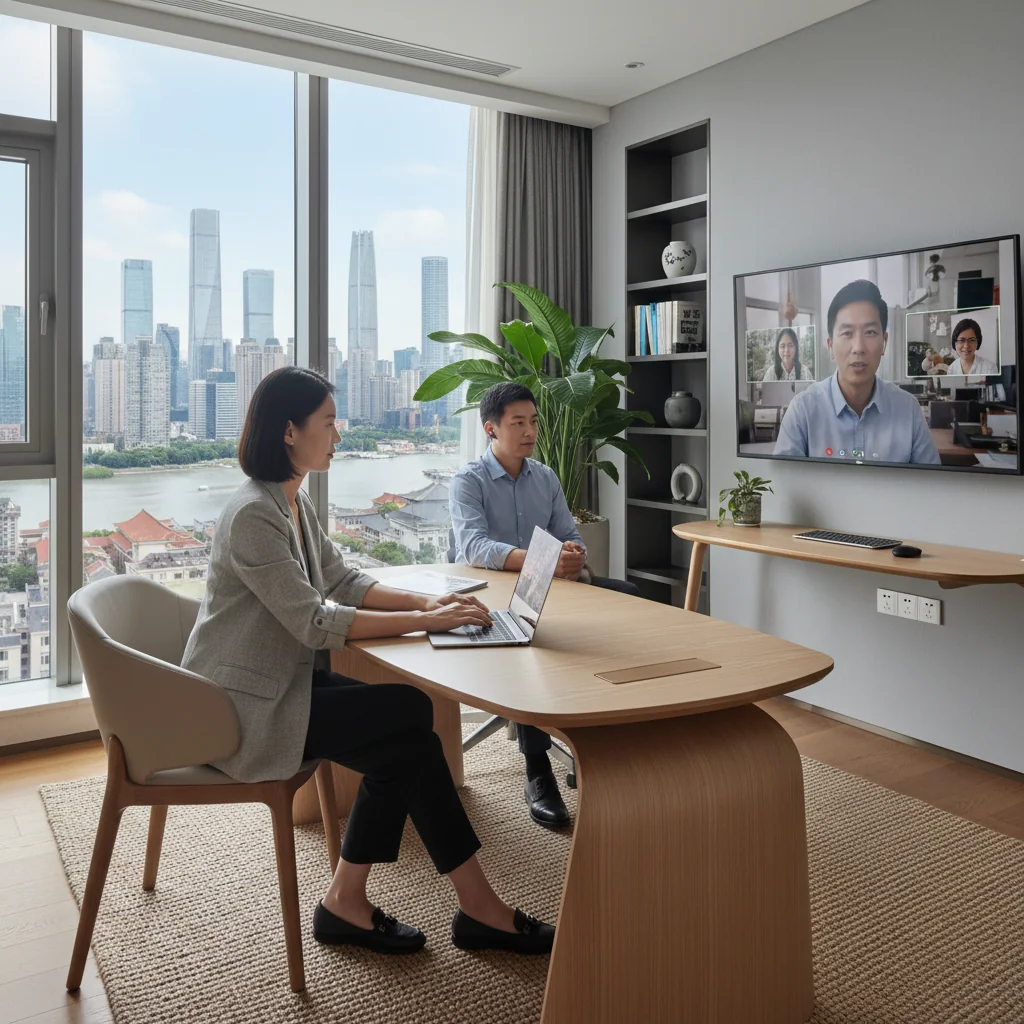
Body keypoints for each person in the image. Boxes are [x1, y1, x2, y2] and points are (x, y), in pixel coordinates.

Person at [181, 367, 554, 956]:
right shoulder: (254, 513)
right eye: (329, 423)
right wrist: (430, 623)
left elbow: (342, 580)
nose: (339, 435)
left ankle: (359, 904)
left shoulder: (291, 502)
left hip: (284, 685)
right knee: (408, 720)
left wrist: (428, 603)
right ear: (289, 432)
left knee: (409, 734)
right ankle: (470, 909)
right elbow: (314, 620)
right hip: (244, 709)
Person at [449, 382, 640, 829]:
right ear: (491, 429)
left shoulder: (546, 477)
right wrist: (542, 559)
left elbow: (569, 536)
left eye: (533, 421)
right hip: (490, 597)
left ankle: (610, 737)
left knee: (628, 596)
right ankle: (537, 771)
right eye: (518, 423)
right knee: (527, 645)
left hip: (549, 588)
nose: (529, 431)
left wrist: (571, 555)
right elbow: (474, 548)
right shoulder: (468, 481)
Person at [773, 279, 940, 464]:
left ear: (884, 343)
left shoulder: (908, 410)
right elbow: (784, 480)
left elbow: (931, 480)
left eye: (870, 332)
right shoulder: (803, 410)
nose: (858, 348)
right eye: (847, 333)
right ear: (830, 346)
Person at [946, 317, 999, 382]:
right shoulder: (951, 369)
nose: (966, 346)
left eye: (971, 340)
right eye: (962, 340)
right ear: (955, 342)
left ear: (977, 342)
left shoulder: (990, 368)